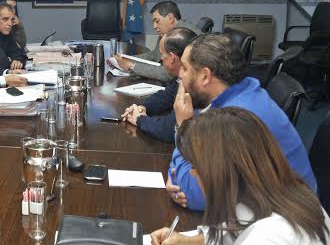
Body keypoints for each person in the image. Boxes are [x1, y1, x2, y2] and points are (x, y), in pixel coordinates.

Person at [167, 33, 316, 211]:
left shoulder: (235, 118)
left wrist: (183, 128)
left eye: (184, 68)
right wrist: (177, 177)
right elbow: (190, 175)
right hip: (268, 205)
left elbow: (197, 195)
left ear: (205, 76)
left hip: (289, 218)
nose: (179, 75)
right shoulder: (239, 90)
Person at [150, 107, 330, 245]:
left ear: (221, 171)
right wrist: (189, 241)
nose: (192, 172)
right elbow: (236, 228)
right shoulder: (280, 194)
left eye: (196, 166)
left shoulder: (270, 237)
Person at [120, 27, 197, 143]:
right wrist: (142, 107)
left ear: (172, 57)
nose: (161, 58)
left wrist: (140, 119)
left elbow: (171, 128)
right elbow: (167, 95)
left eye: (162, 54)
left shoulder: (194, 83)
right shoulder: (184, 77)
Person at [113, 1, 200, 83]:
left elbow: (168, 74)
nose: (154, 26)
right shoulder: (168, 32)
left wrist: (132, 66)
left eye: (157, 21)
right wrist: (127, 59)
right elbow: (155, 55)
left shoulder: (183, 36)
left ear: (170, 18)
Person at [0, 2, 28, 72]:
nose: (10, 24)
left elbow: (21, 54)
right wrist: (11, 60)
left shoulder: (5, 31)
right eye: (5, 19)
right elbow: (1, 63)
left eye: (12, 20)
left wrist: (17, 61)